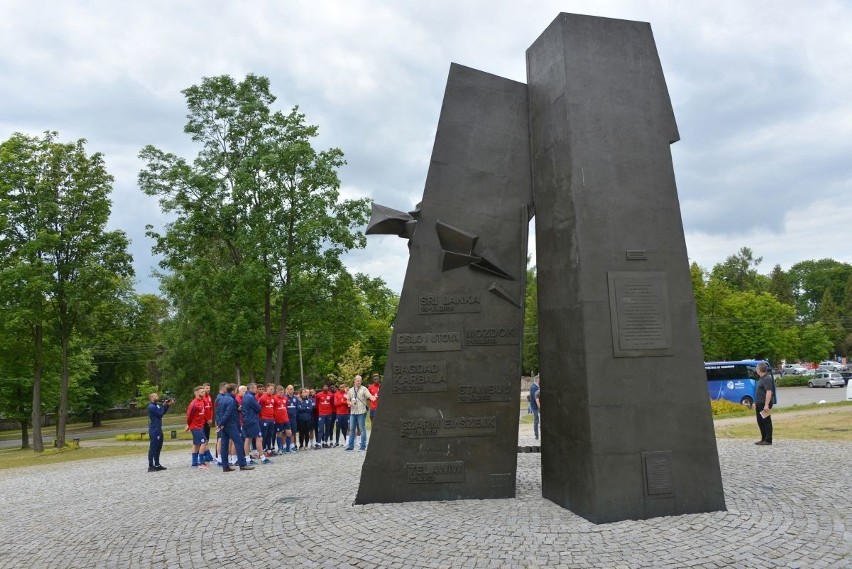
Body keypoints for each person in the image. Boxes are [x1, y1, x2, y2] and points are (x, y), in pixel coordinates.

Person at [215, 384, 253, 471]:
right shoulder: (231, 400)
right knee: (238, 442)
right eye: (236, 390)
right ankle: (242, 464)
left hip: (224, 425)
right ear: (232, 391)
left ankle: (225, 466)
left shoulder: (221, 399)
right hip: (230, 424)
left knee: (224, 444)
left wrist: (220, 423)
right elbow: (227, 413)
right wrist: (221, 423)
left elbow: (217, 412)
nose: (237, 391)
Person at [345, 375, 377, 451]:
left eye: (360, 380)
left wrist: (373, 398)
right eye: (357, 380)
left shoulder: (364, 389)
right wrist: (350, 403)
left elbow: (369, 396)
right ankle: (350, 446)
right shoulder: (350, 390)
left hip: (361, 412)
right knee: (352, 429)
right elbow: (347, 400)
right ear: (354, 381)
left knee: (362, 429)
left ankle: (363, 446)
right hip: (353, 412)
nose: (359, 382)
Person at [241, 383, 270, 463]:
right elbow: (258, 408)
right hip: (252, 420)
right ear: (251, 388)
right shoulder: (251, 397)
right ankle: (263, 458)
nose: (256, 390)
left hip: (245, 419)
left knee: (248, 438)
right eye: (255, 388)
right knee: (259, 437)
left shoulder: (245, 396)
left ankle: (247, 458)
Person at [147, 392, 172, 472]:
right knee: (153, 448)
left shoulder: (156, 405)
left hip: (158, 429)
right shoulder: (151, 407)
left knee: (158, 447)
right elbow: (160, 414)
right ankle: (151, 466)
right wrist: (164, 405)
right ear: (152, 398)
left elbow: (162, 412)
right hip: (154, 430)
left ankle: (157, 464)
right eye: (156, 396)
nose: (158, 397)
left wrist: (167, 405)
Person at [185, 386, 209, 468]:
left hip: (200, 426)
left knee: (196, 444)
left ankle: (194, 463)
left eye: (204, 391)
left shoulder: (202, 401)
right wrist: (188, 425)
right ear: (197, 393)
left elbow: (203, 413)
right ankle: (201, 462)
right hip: (195, 427)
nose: (204, 393)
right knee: (204, 442)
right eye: (202, 392)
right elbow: (189, 416)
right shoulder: (194, 404)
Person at [754, 362, 775, 446]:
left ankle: (768, 440)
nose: (756, 369)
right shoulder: (761, 379)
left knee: (766, 421)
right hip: (759, 403)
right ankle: (763, 438)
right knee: (760, 421)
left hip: (764, 403)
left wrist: (766, 405)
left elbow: (769, 392)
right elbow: (760, 392)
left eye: (756, 368)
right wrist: (756, 402)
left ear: (759, 369)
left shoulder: (767, 379)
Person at [315, 383, 335, 448]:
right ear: (322, 387)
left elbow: (332, 404)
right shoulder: (318, 395)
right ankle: (318, 443)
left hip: (329, 414)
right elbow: (317, 404)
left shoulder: (331, 395)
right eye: (324, 386)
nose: (325, 387)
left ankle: (325, 443)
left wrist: (330, 411)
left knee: (327, 429)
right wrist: (320, 411)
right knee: (320, 429)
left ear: (328, 387)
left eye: (326, 386)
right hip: (321, 414)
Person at [333, 382, 349, 447]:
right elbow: (335, 403)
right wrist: (343, 402)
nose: (342, 388)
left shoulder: (347, 394)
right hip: (339, 414)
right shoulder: (336, 394)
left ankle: (346, 441)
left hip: (345, 414)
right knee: (338, 428)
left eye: (343, 387)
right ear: (339, 388)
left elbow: (348, 402)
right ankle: (337, 442)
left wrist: (342, 402)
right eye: (341, 387)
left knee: (345, 428)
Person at [529, 375, 541, 441]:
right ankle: (536, 435)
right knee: (536, 421)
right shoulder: (534, 387)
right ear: (537, 380)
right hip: (535, 407)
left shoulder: (536, 386)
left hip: (535, 406)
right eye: (539, 379)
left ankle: (537, 435)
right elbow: (536, 398)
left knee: (537, 420)